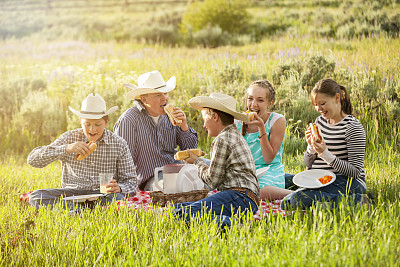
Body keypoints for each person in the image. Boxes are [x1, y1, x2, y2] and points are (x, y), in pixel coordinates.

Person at [28, 93, 138, 211]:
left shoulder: (118, 143)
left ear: (106, 122)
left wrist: (120, 188)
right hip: (72, 193)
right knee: (36, 197)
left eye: (97, 124)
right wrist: (66, 148)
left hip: (103, 194)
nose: (92, 129)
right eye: (87, 124)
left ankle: (76, 211)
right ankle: (87, 212)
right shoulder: (69, 138)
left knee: (118, 198)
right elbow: (32, 160)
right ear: (80, 121)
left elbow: (131, 181)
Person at [174, 93, 260, 229]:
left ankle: (238, 226)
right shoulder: (234, 134)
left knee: (181, 213)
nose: (203, 125)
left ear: (215, 116)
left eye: (204, 119)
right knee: (178, 208)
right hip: (247, 198)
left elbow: (212, 181)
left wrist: (196, 161)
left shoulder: (222, 139)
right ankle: (227, 220)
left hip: (239, 196)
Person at [281, 78, 367, 209]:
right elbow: (308, 163)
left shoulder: (352, 127)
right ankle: (318, 198)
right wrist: (311, 148)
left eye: (322, 103)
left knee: (294, 201)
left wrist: (325, 153)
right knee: (280, 180)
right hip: (319, 179)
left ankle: (358, 200)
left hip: (348, 182)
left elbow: (355, 172)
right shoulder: (320, 121)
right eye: (315, 104)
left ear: (337, 98)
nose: (318, 108)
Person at [114, 71, 198, 191]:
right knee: (173, 187)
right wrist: (126, 187)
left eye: (165, 93)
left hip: (177, 170)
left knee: (207, 169)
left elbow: (191, 149)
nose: (165, 98)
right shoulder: (129, 120)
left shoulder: (171, 116)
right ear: (144, 99)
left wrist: (184, 126)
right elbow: (122, 161)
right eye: (158, 95)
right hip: (151, 179)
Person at [236, 80, 293, 201]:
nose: (253, 105)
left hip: (270, 171)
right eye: (250, 98)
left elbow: (268, 159)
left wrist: (261, 127)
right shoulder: (238, 121)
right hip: (245, 172)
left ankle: (297, 195)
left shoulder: (277, 120)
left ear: (270, 103)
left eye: (260, 100)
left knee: (258, 192)